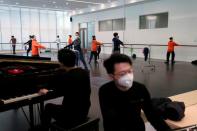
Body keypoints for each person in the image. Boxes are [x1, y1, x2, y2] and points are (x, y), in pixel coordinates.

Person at [99, 53, 172, 131]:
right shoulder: (105, 91)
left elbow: (151, 114)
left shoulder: (140, 89)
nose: (128, 76)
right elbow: (111, 121)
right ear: (111, 76)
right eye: (122, 74)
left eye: (130, 71)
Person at [39, 48, 91, 131]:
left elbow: (56, 93)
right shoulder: (84, 72)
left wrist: (46, 92)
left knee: (48, 107)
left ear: (61, 62)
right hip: (84, 111)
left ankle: (44, 129)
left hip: (70, 116)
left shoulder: (65, 77)